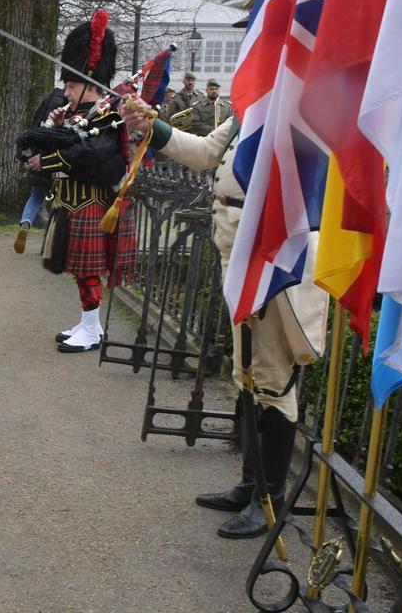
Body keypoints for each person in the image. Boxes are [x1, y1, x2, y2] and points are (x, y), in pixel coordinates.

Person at [120, 100, 328, 539]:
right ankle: (251, 484)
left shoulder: (306, 103)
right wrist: (152, 127)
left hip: (273, 254)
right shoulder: (254, 105)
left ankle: (269, 500)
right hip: (236, 249)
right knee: (247, 373)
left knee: (272, 378)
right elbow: (207, 154)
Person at [26, 12, 137, 354]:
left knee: (87, 270)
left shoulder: (106, 115)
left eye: (71, 86)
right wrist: (50, 131)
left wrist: (48, 159)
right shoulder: (75, 114)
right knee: (76, 268)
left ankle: (90, 329)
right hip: (68, 202)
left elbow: (90, 154)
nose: (66, 91)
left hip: (92, 204)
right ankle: (89, 323)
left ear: (90, 82)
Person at [14, 86, 64, 254]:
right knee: (60, 201)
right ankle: (50, 240)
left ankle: (25, 224)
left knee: (36, 196)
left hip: (38, 162)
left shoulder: (45, 109)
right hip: (57, 163)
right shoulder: (67, 108)